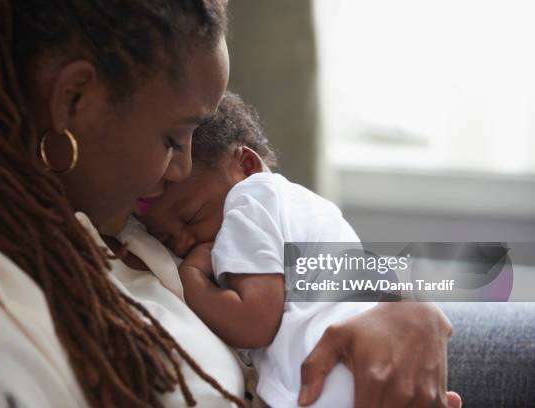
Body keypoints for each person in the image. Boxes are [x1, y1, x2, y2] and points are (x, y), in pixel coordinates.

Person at [0, 1, 461, 407]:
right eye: (171, 138)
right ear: (74, 100)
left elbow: (320, 261)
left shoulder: (126, 214)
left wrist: (402, 305)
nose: (180, 169)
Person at [139, 91, 381, 407]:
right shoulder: (296, 201)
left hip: (333, 379)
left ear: (247, 165)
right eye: (167, 239)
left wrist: (192, 278)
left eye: (192, 216)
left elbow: (253, 322)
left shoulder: (250, 200)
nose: (183, 242)